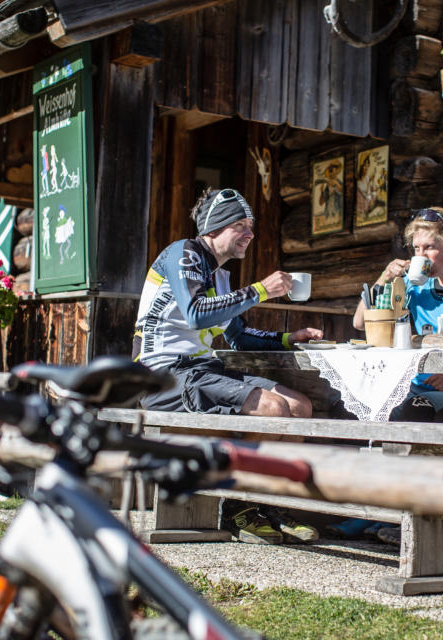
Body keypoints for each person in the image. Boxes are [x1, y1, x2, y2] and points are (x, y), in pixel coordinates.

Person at [134, 187, 323, 545]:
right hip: (163, 376)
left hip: (201, 370)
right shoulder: (184, 254)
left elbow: (238, 337)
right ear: (213, 229)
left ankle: (267, 503)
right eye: (240, 225)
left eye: (251, 226)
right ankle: (236, 507)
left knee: (301, 406)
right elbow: (195, 314)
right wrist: (261, 290)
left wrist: (289, 338)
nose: (250, 234)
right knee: (272, 408)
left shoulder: (220, 275)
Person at [336, 207, 443, 542]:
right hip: (419, 385)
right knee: (372, 408)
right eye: (416, 250)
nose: (422, 257)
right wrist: (384, 278)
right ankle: (373, 510)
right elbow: (361, 322)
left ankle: (403, 518)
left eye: (429, 248)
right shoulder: (415, 290)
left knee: (414, 412)